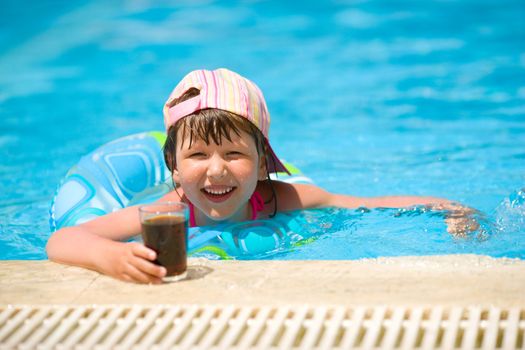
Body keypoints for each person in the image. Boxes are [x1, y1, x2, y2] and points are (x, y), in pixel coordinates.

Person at [46, 68, 479, 284]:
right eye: (197, 154)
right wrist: (112, 258)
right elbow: (63, 240)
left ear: (263, 160)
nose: (217, 169)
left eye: (235, 153)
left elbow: (362, 204)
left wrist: (446, 208)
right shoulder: (169, 213)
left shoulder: (279, 199)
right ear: (174, 167)